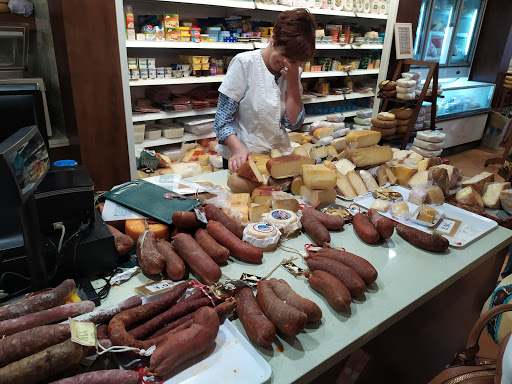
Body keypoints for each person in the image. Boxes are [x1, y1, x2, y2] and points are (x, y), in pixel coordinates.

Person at [213, 8, 317, 172]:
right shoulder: (244, 64)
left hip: (277, 157)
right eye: (285, 56)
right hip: (243, 158)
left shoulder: (292, 69)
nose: (286, 63)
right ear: (273, 39)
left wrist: (292, 83)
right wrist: (238, 150)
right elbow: (222, 121)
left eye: (295, 61)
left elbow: (294, 123)